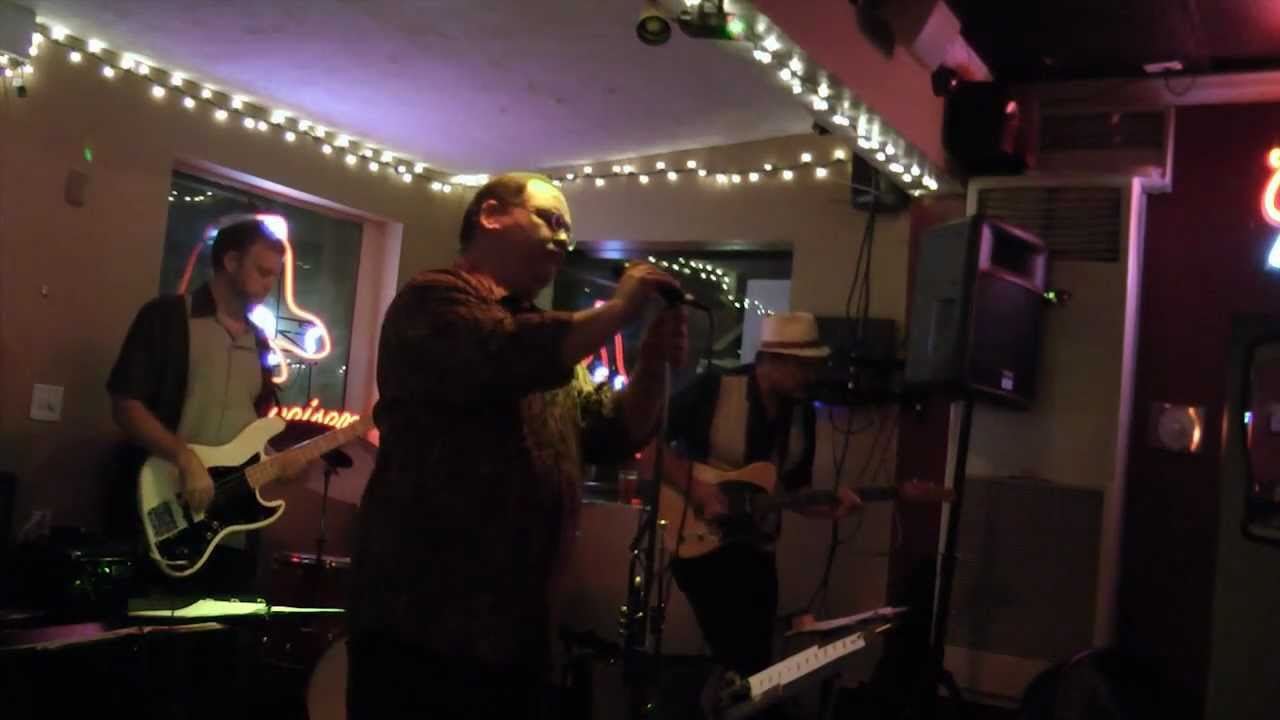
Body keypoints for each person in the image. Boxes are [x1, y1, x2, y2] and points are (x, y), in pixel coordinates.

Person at [346, 172, 689, 719]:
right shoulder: (433, 299)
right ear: (490, 215)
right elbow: (504, 352)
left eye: (568, 229)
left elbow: (614, 432)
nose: (563, 239)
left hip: (517, 630)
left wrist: (651, 365)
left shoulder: (538, 332)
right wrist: (618, 310)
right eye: (549, 220)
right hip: (423, 622)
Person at [653, 311, 862, 684]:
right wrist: (698, 490)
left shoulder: (802, 415)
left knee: (756, 662)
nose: (811, 375)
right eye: (803, 365)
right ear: (771, 359)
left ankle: (724, 701)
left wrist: (831, 509)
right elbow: (651, 443)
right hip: (701, 541)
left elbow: (793, 493)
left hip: (757, 548)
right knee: (740, 655)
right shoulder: (714, 388)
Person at [107, 217, 306, 596]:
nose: (270, 284)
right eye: (263, 271)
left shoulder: (260, 343)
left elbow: (249, 429)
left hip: (232, 528)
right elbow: (126, 404)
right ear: (230, 262)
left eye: (274, 275)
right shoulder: (167, 317)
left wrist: (278, 462)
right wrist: (184, 457)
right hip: (163, 506)